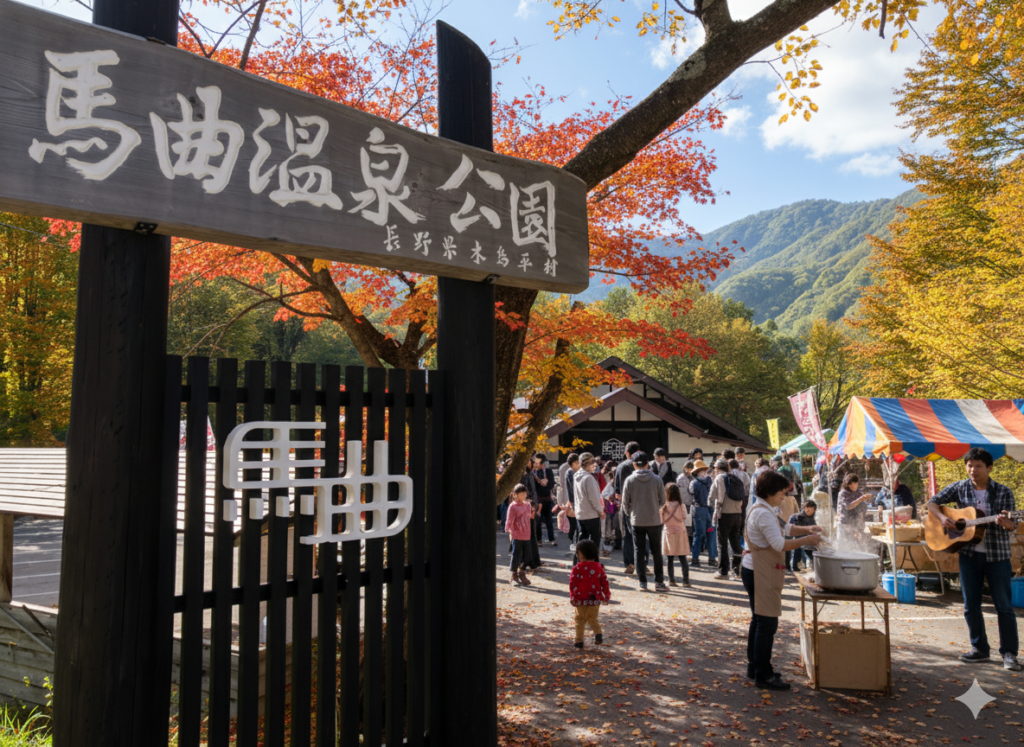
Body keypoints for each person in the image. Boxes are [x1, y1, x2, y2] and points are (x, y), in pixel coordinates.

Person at [928, 448, 1020, 671]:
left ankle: (1009, 654)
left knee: (1004, 607)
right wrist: (943, 519)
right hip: (969, 556)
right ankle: (979, 649)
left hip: (997, 557)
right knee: (971, 605)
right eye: (970, 465)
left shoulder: (1003, 492)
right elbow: (932, 503)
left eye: (978, 466)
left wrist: (1004, 522)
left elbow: (1012, 525)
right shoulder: (960, 487)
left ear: (989, 468)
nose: (973, 470)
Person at [742, 470, 823, 690]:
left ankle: (755, 667)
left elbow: (785, 528)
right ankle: (763, 673)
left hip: (757, 570)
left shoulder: (765, 508)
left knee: (760, 621)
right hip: (758, 572)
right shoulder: (763, 513)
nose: (784, 497)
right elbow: (779, 544)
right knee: (766, 623)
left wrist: (808, 527)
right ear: (769, 492)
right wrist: (809, 539)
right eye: (781, 492)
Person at [621, 451, 668, 592]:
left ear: (634, 464)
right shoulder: (657, 479)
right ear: (648, 464)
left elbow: (625, 503)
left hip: (637, 520)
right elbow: (663, 500)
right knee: (656, 551)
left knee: (638, 550)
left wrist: (630, 514)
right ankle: (659, 582)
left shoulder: (629, 480)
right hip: (654, 519)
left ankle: (642, 582)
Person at [569, 539, 611, 648]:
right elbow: (605, 582)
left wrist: (572, 596)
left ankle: (579, 641)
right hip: (595, 598)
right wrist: (606, 596)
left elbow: (572, 584)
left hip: (580, 599)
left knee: (579, 619)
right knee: (592, 618)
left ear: (581, 553)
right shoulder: (599, 567)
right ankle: (598, 634)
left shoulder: (577, 568)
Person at [709, 459, 745, 580]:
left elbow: (712, 496)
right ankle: (736, 570)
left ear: (717, 468)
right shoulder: (734, 478)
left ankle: (723, 571)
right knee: (735, 543)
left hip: (724, 514)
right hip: (737, 514)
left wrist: (711, 504)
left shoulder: (719, 478)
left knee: (722, 544)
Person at [614, 442, 641, 574]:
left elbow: (616, 490)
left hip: (625, 505)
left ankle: (629, 563)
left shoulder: (620, 466)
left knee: (627, 535)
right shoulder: (643, 466)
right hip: (641, 505)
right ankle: (642, 562)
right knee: (641, 535)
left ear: (627, 453)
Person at [573, 452, 605, 560]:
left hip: (580, 514)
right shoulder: (588, 478)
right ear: (588, 463)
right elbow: (594, 499)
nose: (595, 465)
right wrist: (600, 511)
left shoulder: (576, 475)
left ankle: (577, 564)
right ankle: (593, 565)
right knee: (594, 543)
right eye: (593, 462)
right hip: (591, 514)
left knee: (581, 542)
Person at [661, 482, 691, 587]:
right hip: (680, 532)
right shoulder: (681, 505)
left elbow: (661, 520)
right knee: (683, 557)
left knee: (670, 558)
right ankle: (686, 581)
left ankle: (671, 580)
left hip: (668, 533)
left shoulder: (664, 506)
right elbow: (684, 517)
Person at [505, 484, 535, 586]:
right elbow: (509, 520)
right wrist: (509, 530)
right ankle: (514, 575)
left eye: (525, 494)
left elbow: (531, 516)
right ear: (515, 495)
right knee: (516, 555)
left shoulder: (527, 505)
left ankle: (521, 572)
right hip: (517, 534)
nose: (524, 496)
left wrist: (533, 510)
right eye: (522, 494)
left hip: (526, 534)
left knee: (528, 556)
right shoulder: (513, 506)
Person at [688, 459, 713, 567]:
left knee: (698, 535)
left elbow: (691, 494)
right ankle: (712, 559)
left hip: (698, 511)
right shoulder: (710, 481)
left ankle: (695, 559)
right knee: (711, 534)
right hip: (710, 510)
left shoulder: (694, 483)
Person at [837, 473, 871, 549]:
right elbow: (848, 506)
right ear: (848, 484)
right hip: (844, 524)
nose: (856, 485)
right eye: (854, 483)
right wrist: (860, 499)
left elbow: (862, 508)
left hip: (856, 524)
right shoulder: (843, 493)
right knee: (844, 547)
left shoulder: (859, 492)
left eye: (857, 483)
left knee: (857, 547)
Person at [787, 499, 818, 571]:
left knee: (814, 552)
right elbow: (789, 530)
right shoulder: (796, 517)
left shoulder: (813, 519)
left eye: (811, 508)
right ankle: (794, 567)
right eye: (806, 508)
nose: (808, 510)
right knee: (797, 548)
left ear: (814, 510)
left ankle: (813, 567)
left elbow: (815, 530)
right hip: (797, 540)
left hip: (808, 541)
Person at [533, 455, 557, 546]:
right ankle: (539, 540)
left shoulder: (549, 471)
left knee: (549, 520)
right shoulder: (535, 472)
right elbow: (535, 485)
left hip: (547, 498)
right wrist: (541, 482)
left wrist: (548, 483)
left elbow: (552, 483)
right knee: (538, 521)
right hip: (538, 499)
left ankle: (552, 538)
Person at [676, 461, 695, 547]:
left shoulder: (693, 477)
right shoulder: (681, 478)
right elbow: (683, 493)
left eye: (691, 468)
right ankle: (686, 544)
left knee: (691, 525)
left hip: (693, 504)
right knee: (686, 525)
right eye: (688, 468)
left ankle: (690, 543)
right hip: (685, 504)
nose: (689, 470)